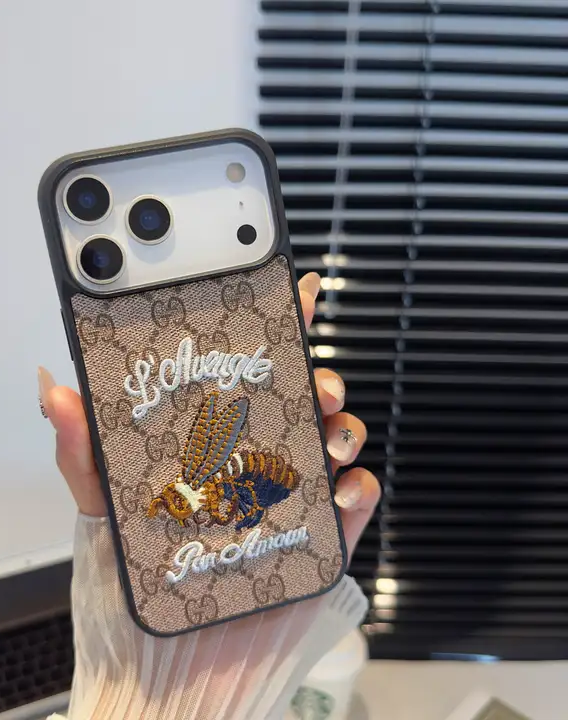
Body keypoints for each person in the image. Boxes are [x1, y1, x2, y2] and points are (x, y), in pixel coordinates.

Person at [38, 273, 381, 720]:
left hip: (261, 481)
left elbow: (229, 437)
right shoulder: (189, 491)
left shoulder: (203, 475)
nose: (176, 514)